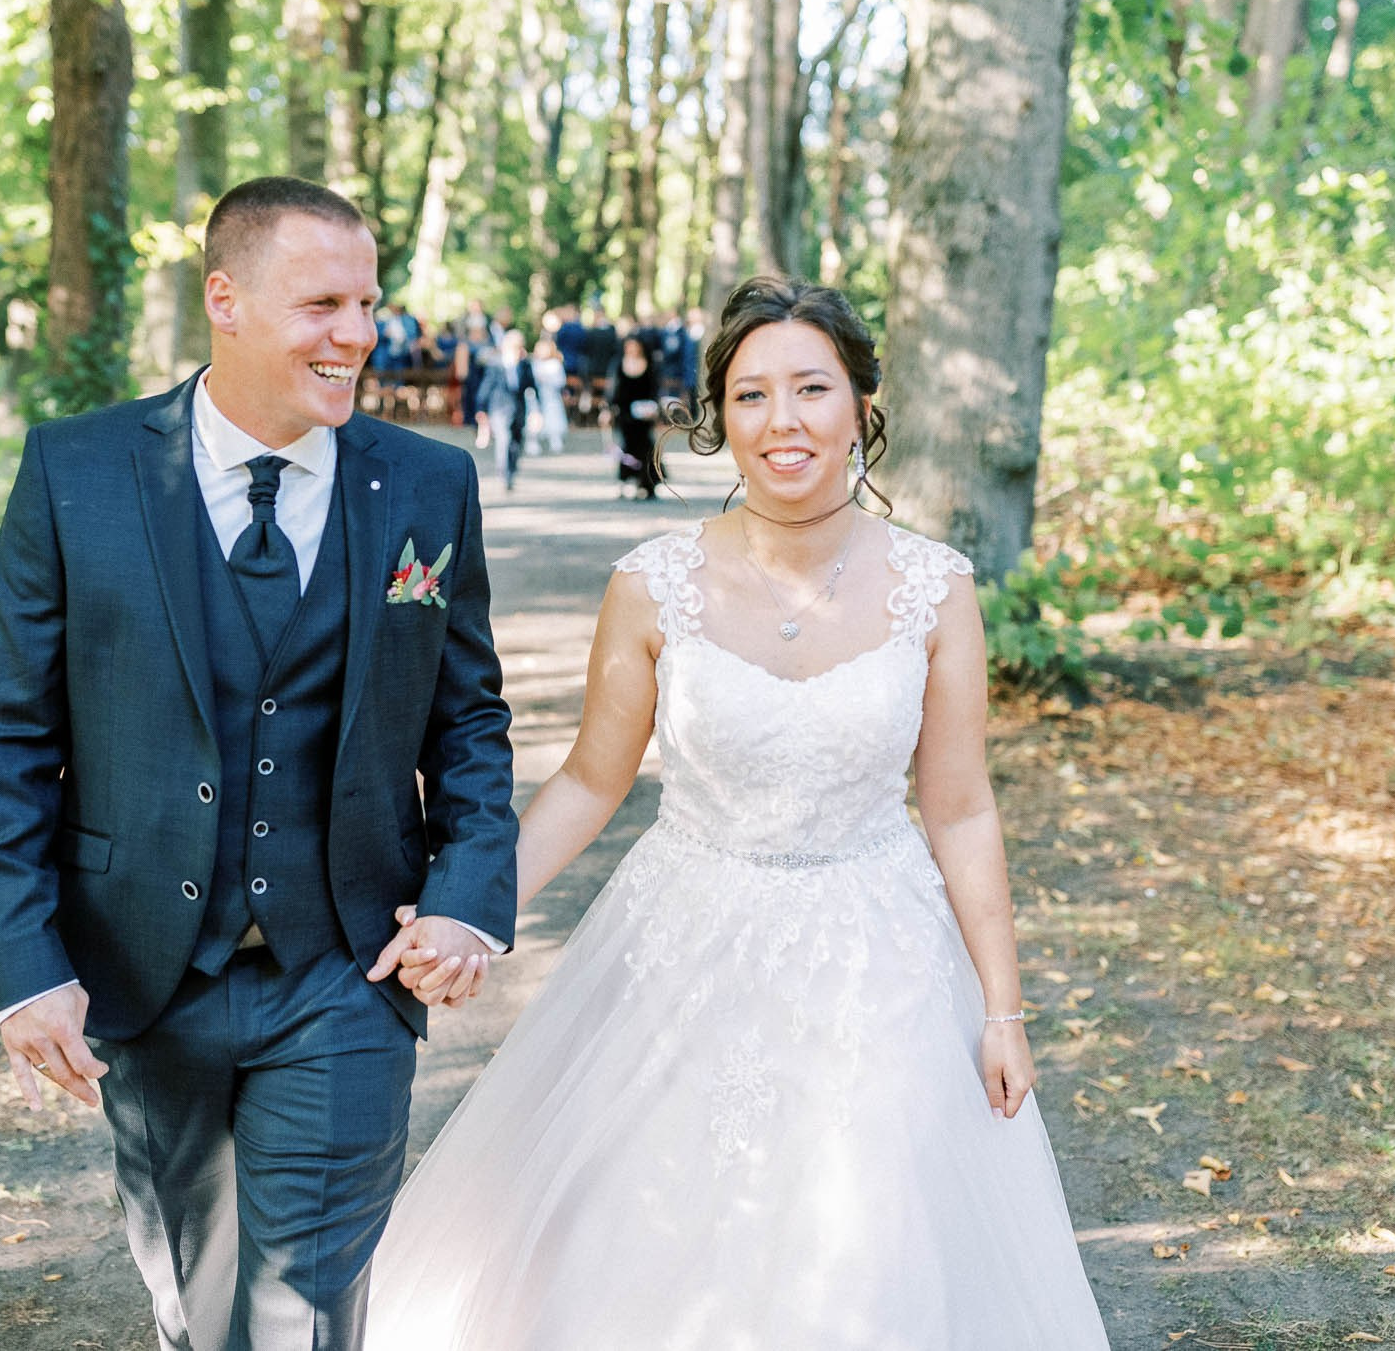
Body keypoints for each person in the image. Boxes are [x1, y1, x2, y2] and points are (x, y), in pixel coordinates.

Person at [364, 274, 1111, 1349]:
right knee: (646, 1228)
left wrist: (999, 1008)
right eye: (750, 395)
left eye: (810, 388)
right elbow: (587, 781)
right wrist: (470, 910)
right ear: (720, 417)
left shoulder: (934, 588)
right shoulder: (652, 584)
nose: (781, 421)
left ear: (860, 404)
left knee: (870, 1238)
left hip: (880, 962)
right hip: (681, 945)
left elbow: (958, 810)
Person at [0, 175, 518, 1351]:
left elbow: (465, 721)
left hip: (348, 973)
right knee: (196, 1304)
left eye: (367, 302)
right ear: (225, 299)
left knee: (307, 1309)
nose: (357, 334)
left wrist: (468, 903)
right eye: (322, 304)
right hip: (142, 971)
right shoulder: (78, 472)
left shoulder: (427, 485)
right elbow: (8, 731)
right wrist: (23, 965)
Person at [474, 329, 538, 491]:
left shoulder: (525, 365)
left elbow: (532, 387)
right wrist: (481, 408)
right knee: (504, 440)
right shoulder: (496, 365)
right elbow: (486, 387)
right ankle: (504, 474)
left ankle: (513, 469)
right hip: (499, 409)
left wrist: (537, 409)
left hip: (518, 409)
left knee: (516, 442)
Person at [606, 335, 662, 500]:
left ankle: (645, 482)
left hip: (644, 415)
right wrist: (609, 410)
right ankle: (626, 480)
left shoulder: (650, 365)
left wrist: (654, 408)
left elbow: (654, 389)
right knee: (627, 447)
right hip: (625, 415)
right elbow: (613, 391)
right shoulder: (619, 365)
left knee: (645, 448)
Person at [528, 336, 569, 455]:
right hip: (534, 396)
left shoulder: (555, 364)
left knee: (553, 416)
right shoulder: (533, 363)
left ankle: (555, 439)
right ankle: (533, 441)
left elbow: (561, 381)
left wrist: (548, 380)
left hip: (551, 395)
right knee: (533, 417)